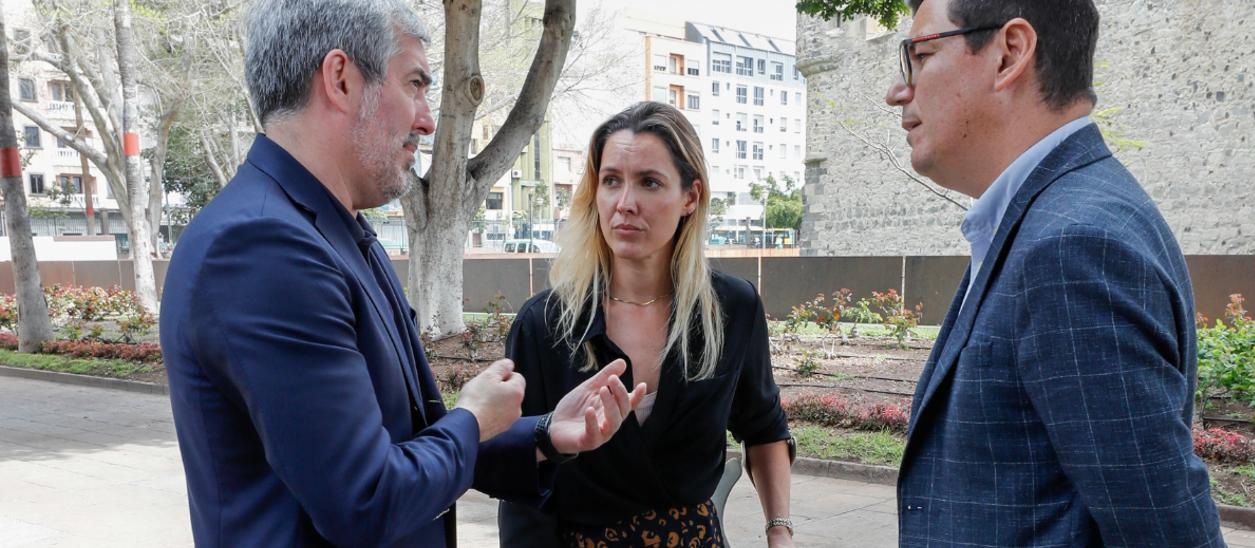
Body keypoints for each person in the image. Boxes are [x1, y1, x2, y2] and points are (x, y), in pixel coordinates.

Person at [159, 1, 643, 546]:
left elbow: (410, 442)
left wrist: (546, 434)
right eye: (414, 83)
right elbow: (365, 499)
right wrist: (474, 419)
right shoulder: (262, 247)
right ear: (340, 79)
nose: (427, 118)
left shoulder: (333, 234)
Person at [885, 0, 1223, 545]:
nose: (899, 91)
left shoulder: (1073, 243)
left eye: (921, 55)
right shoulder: (1051, 219)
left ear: (1009, 54)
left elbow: (1164, 531)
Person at [496, 102, 796, 547]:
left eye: (649, 183)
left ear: (690, 197)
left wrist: (780, 532)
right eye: (611, 180)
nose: (625, 204)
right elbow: (521, 475)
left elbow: (764, 427)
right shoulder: (546, 323)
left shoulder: (732, 308)